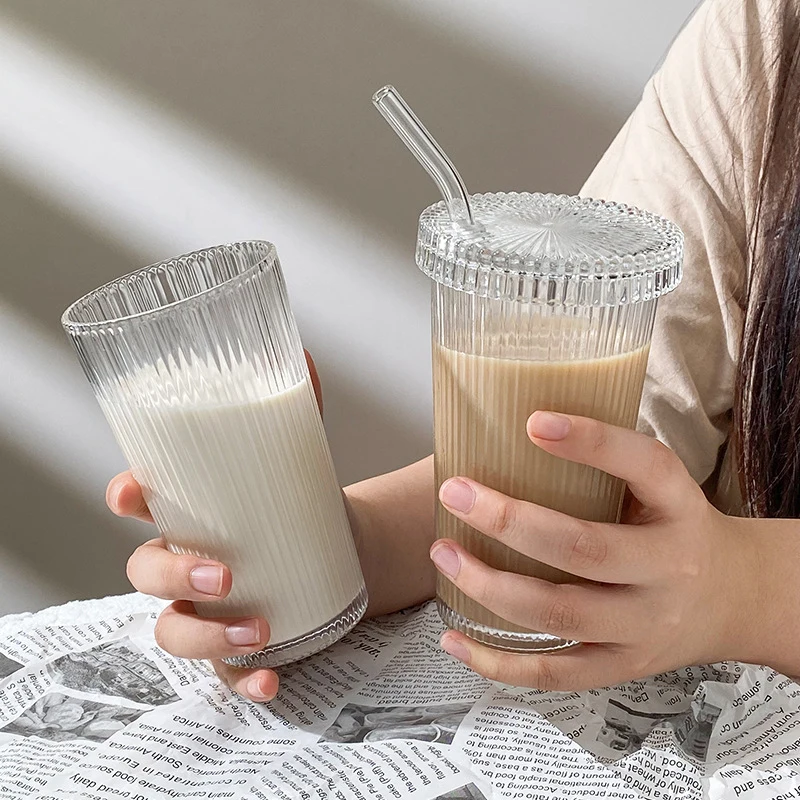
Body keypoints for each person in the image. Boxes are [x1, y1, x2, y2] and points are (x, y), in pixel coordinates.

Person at [108, 0, 800, 702]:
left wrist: (746, 590)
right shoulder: (765, 33)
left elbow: (705, 568)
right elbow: (605, 457)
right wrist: (336, 554)